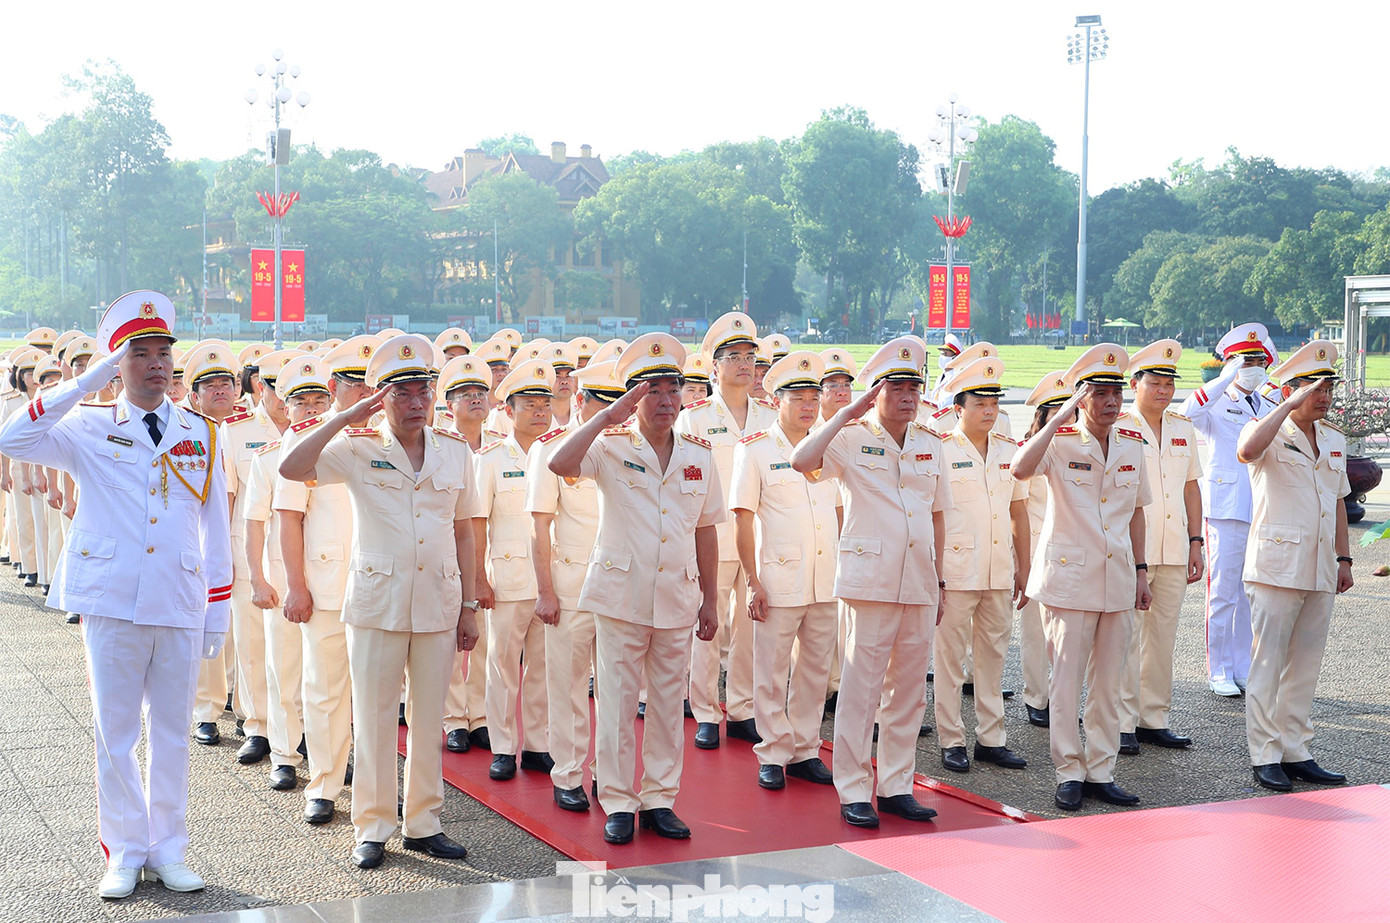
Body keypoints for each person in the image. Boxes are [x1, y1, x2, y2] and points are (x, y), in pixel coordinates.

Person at [0, 291, 231, 899]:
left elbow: (216, 529)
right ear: (116, 363)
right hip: (112, 597)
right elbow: (11, 440)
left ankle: (169, 848)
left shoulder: (202, 433)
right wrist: (85, 383)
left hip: (179, 597)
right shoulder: (88, 424)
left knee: (174, 733)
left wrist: (218, 610)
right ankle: (125, 852)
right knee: (116, 733)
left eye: (163, 353)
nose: (156, 364)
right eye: (139, 353)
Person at [279, 333, 480, 870]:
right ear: (381, 397)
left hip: (438, 600)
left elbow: (464, 530)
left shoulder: (455, 450)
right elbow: (292, 468)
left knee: (429, 719)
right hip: (377, 602)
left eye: (423, 391)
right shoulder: (358, 447)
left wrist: (470, 605)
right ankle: (372, 826)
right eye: (401, 393)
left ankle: (423, 823)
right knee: (372, 720)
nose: (416, 402)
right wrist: (344, 418)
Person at [547, 333, 721, 845]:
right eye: (653, 391)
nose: (666, 400)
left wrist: (711, 599)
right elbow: (560, 464)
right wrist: (605, 417)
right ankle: (619, 801)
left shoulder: (699, 453)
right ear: (633, 397)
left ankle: (660, 800)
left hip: (677, 597)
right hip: (621, 596)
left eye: (673, 389)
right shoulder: (609, 446)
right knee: (619, 705)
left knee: (667, 706)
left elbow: (706, 529)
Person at [789, 336, 949, 829]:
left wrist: (940, 580)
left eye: (913, 388)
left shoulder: (930, 442)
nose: (907, 397)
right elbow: (801, 461)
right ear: (875, 392)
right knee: (862, 690)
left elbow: (937, 514)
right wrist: (844, 414)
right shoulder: (851, 436)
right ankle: (854, 788)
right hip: (870, 582)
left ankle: (897, 785)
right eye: (896, 388)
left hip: (919, 578)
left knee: (909, 692)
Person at [1011, 344, 1152, 812]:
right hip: (1069, 581)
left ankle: (1101, 771)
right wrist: (1058, 419)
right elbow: (1020, 468)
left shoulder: (1131, 443)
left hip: (1117, 578)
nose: (1111, 402)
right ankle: (1069, 771)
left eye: (1116, 393)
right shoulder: (1061, 441)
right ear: (1081, 397)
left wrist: (1142, 571)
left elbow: (1136, 513)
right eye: (1100, 393)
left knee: (1109, 683)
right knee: (1066, 682)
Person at [1236, 341, 1354, 792]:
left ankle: (1296, 749)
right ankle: (1265, 754)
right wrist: (1285, 406)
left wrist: (1344, 558)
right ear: (1290, 390)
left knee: (1305, 664)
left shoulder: (1333, 438)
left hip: (1320, 564)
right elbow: (1247, 451)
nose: (1324, 397)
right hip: (1276, 566)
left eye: (1329, 389)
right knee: (1268, 663)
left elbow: (1338, 502)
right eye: (1314, 388)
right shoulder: (1266, 428)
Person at [730, 351, 839, 791]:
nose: (808, 406)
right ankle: (773, 751)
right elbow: (742, 519)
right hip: (778, 579)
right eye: (798, 398)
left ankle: (805, 750)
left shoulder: (828, 446)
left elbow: (839, 511)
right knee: (772, 672)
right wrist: (751, 580)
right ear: (777, 400)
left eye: (814, 397)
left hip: (825, 578)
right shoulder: (755, 449)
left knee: (815, 670)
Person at [677, 312, 777, 750]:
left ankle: (742, 709)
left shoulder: (770, 416)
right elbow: (684, 482)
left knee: (750, 628)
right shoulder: (695, 418)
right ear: (713, 367)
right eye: (733, 357)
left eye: (749, 357)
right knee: (708, 626)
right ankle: (705, 710)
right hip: (711, 538)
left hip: (757, 539)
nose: (743, 364)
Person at [526, 358, 619, 811]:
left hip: (620, 585)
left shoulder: (630, 446)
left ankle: (609, 775)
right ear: (581, 400)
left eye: (619, 403)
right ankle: (567, 773)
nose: (613, 413)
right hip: (571, 585)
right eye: (603, 403)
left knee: (617, 689)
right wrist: (545, 590)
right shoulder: (551, 449)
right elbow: (539, 527)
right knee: (567, 687)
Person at [933, 357, 1030, 774]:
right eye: (980, 403)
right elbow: (931, 514)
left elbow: (1019, 511)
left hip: (997, 570)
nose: (989, 411)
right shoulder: (939, 449)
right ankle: (951, 739)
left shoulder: (1009, 450)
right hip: (955, 573)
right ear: (959, 408)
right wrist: (934, 572)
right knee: (950, 661)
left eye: (994, 403)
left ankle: (992, 739)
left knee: (992, 659)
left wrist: (1023, 566)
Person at [273, 355, 358, 824]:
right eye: (354, 382)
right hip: (325, 586)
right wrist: (296, 585)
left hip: (379, 586)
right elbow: (289, 519)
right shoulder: (306, 438)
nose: (364, 392)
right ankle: (324, 784)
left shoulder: (387, 436)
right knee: (325, 691)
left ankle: (373, 788)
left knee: (376, 697)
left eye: (371, 384)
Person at [1179, 323, 1279, 697]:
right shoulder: (1217, 402)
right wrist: (1224, 378)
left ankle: (1243, 667)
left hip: (1261, 507)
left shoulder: (1269, 405)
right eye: (1244, 361)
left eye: (1258, 361)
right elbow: (1186, 413)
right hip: (1226, 508)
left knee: (1250, 593)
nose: (1252, 368)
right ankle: (1218, 668)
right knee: (1223, 593)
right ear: (1231, 363)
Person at [1117, 340, 1203, 754]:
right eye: (1155, 382)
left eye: (1169, 383)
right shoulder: (1119, 426)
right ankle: (1121, 722)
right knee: (1126, 638)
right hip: (1131, 549)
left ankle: (1153, 719)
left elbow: (1191, 488)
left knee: (1162, 638)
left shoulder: (1183, 428)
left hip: (1173, 547)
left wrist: (1196, 542)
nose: (1164, 390)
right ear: (1135, 384)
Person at [474, 358, 556, 781]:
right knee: (502, 666)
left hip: (553, 580)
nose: (540, 412)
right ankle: (503, 746)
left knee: (543, 667)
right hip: (506, 580)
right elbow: (476, 523)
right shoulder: (490, 458)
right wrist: (479, 578)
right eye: (530, 405)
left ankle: (539, 745)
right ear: (508, 410)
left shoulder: (560, 452)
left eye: (545, 404)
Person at [222, 348, 290, 765]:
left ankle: (298, 731)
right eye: (277, 388)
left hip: (303, 557)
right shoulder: (236, 431)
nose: (285, 398)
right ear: (261, 387)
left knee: (299, 654)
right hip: (251, 551)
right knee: (251, 645)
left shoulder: (316, 427)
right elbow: (227, 498)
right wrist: (221, 556)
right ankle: (259, 726)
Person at [181, 341, 243, 745]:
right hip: (204, 543)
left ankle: (242, 702)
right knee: (207, 621)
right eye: (210, 386)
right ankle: (206, 709)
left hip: (246, 541)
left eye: (225, 384)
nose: (219, 391)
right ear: (195, 395)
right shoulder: (187, 432)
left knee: (244, 634)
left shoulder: (249, 430)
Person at [437, 355, 493, 754]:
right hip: (449, 557)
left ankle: (481, 717)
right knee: (453, 646)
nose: (475, 400)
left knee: (486, 645)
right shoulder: (439, 445)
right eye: (466, 394)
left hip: (493, 560)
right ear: (449, 404)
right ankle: (454, 719)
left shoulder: (501, 445)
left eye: (480, 393)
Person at [1017, 371, 1076, 728]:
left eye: (1070, 412)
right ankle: (1036, 697)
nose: (1065, 419)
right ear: (1042, 416)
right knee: (1036, 633)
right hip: (1037, 549)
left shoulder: (1081, 447)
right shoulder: (1028, 449)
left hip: (1071, 552)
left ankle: (1061, 698)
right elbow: (1019, 509)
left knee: (1068, 635)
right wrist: (1020, 561)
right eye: (1056, 413)